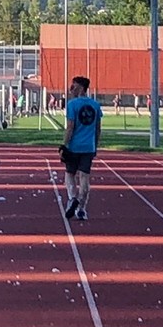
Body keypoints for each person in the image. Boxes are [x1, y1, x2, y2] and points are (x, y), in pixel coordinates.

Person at [61, 75, 102, 222]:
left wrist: (64, 144)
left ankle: (72, 198)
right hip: (88, 147)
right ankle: (82, 209)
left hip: (74, 146)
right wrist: (95, 146)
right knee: (84, 177)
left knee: (70, 174)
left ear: (81, 88)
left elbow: (70, 127)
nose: (71, 88)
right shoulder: (95, 105)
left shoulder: (72, 105)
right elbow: (98, 129)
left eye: (74, 86)